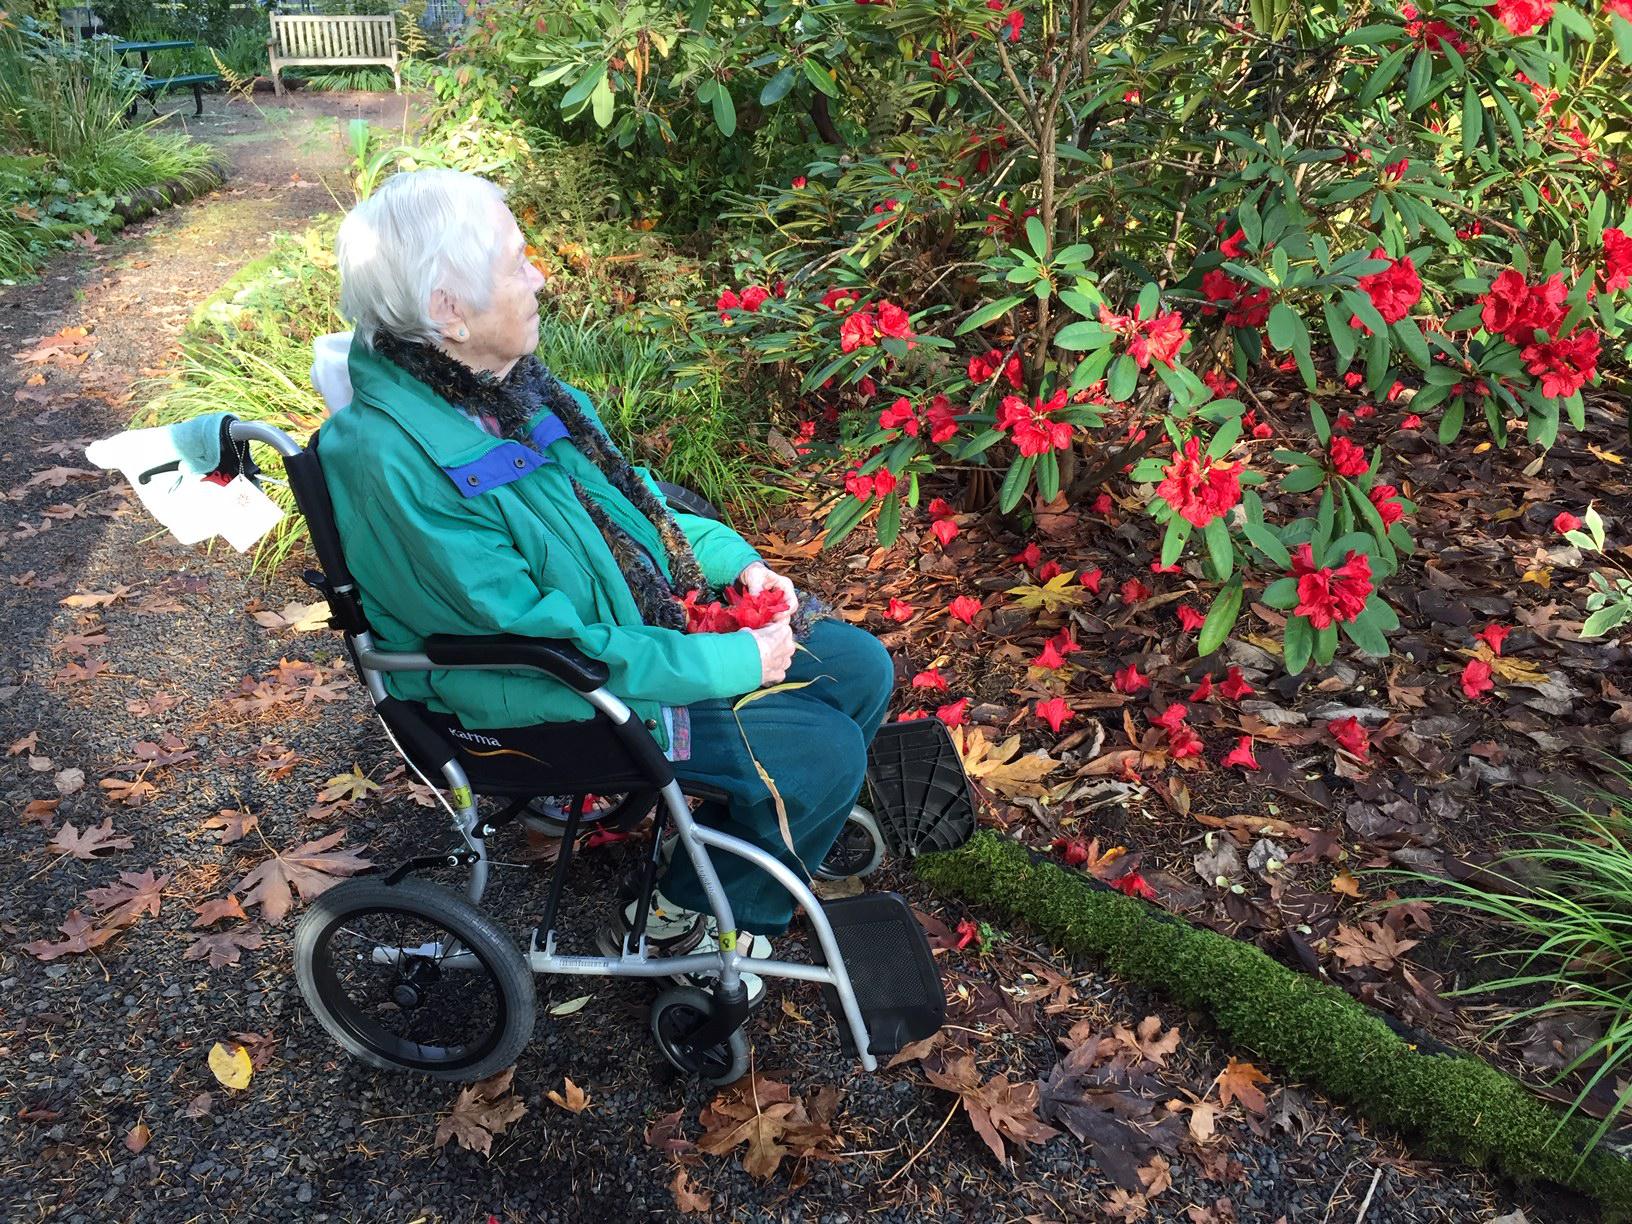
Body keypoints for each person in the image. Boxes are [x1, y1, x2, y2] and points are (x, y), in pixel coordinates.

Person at [319, 169, 894, 1004]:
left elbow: (639, 503)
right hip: (543, 698)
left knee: (858, 666)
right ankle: (685, 914)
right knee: (820, 752)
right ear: (448, 309)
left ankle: (734, 840)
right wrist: (734, 662)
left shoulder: (505, 388)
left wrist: (736, 566)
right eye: (517, 264)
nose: (539, 277)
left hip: (631, 636)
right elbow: (543, 642)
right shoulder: (391, 459)